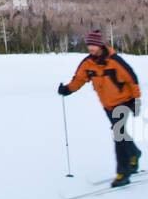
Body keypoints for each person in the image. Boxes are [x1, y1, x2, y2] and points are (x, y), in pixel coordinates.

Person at [57, 30, 142, 187]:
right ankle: (134, 154)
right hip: (108, 105)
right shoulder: (88, 64)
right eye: (89, 45)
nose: (91, 48)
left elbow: (132, 80)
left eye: (93, 46)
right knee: (120, 133)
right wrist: (67, 90)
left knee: (118, 135)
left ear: (100, 45)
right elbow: (79, 79)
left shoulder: (115, 61)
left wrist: (136, 102)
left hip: (124, 101)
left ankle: (123, 173)